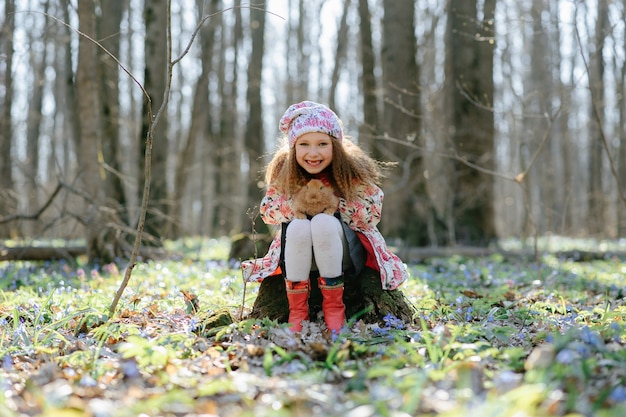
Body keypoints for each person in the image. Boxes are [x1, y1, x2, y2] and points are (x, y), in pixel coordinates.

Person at [242, 101, 409, 333]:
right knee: (298, 227)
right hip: (300, 257)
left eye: (322, 144)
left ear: (335, 146)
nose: (313, 152)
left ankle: (334, 307)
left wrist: (334, 202)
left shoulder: (349, 171)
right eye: (304, 144)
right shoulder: (287, 173)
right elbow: (269, 212)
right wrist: (300, 202)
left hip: (343, 255)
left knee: (323, 222)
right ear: (294, 147)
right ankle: (297, 311)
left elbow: (371, 214)